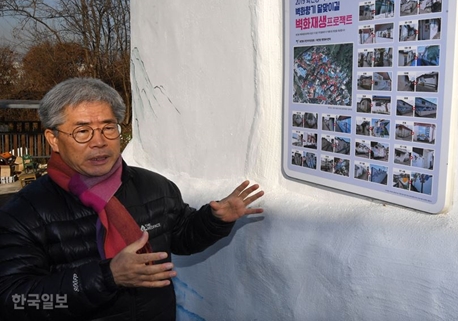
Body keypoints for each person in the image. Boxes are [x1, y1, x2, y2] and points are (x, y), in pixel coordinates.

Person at [0, 77, 264, 320]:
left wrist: (215, 219)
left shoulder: (154, 186)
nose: (99, 142)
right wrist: (107, 276)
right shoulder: (26, 212)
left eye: (108, 128)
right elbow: (17, 301)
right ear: (53, 139)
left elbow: (181, 237)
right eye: (82, 132)